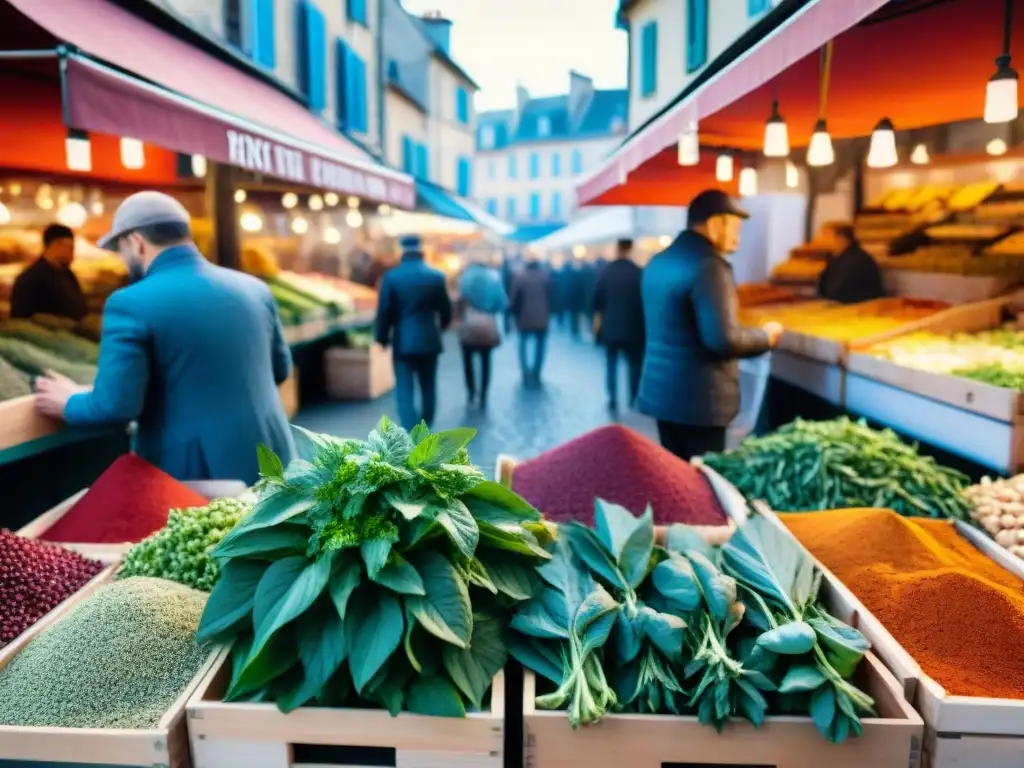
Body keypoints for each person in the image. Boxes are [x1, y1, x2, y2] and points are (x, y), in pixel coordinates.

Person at [33, 192, 295, 485]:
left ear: (136, 241)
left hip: (199, 478)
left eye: (121, 249)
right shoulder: (254, 289)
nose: (123, 260)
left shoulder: (130, 303)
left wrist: (68, 402)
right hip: (275, 458)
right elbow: (280, 370)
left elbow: (116, 407)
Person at [637, 189, 783, 460]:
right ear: (716, 223)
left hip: (662, 395)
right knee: (702, 485)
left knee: (675, 478)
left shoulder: (659, 261)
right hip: (701, 403)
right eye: (735, 227)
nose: (738, 236)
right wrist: (766, 336)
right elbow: (722, 339)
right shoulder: (710, 266)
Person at [375, 235, 452, 430]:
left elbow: (384, 311)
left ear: (401, 250)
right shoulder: (436, 276)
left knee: (404, 391)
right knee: (428, 388)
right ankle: (426, 429)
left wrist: (382, 338)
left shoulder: (392, 277)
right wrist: (440, 328)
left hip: (403, 341)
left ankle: (411, 433)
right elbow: (446, 311)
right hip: (430, 340)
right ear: (421, 249)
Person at [593, 238, 644, 412]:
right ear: (631, 249)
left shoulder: (606, 272)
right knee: (634, 364)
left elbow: (596, 302)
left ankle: (612, 397)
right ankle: (633, 396)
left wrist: (597, 327)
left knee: (611, 364)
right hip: (634, 328)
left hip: (611, 328)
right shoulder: (638, 272)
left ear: (617, 249)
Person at [457, 248, 507, 409]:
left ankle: (471, 392)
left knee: (467, 361)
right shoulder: (493, 276)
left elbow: (458, 299)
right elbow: (502, 302)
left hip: (469, 322)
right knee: (486, 361)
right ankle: (483, 395)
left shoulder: (465, 276)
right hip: (487, 323)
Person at [10, 224, 87, 320]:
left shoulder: (67, 274)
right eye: (70, 248)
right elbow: (23, 320)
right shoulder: (31, 279)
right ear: (56, 245)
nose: (72, 254)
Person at [509, 252, 552, 385]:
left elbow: (514, 299)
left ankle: (524, 370)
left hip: (524, 317)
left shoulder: (520, 277)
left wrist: (514, 316)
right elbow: (552, 297)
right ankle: (537, 370)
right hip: (542, 317)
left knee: (523, 344)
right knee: (540, 345)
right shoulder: (545, 277)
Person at [818, 224, 885, 304]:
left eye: (835, 240)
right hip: (846, 300)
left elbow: (841, 289)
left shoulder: (855, 260)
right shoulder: (841, 258)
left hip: (858, 303)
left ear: (843, 240)